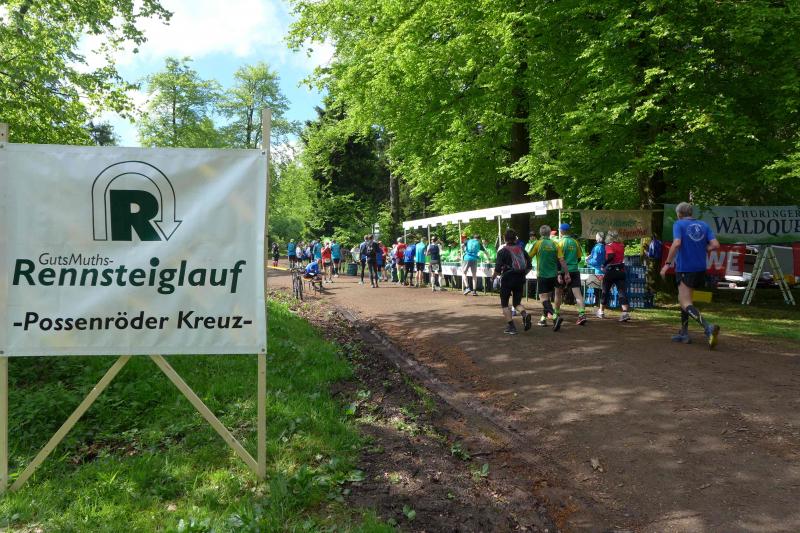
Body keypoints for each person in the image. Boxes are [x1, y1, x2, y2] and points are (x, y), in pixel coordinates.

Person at [660, 202, 721, 348]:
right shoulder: (703, 225)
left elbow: (677, 243)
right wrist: (704, 249)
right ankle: (684, 333)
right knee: (684, 299)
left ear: (679, 214)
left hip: (685, 268)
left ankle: (708, 327)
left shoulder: (679, 224)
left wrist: (667, 264)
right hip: (700, 268)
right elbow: (715, 245)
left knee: (685, 302)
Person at [492, 229, 533, 335]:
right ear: (515, 238)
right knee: (517, 303)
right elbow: (529, 266)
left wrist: (493, 278)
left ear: (504, 239)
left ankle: (511, 327)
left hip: (507, 279)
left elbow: (497, 269)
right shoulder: (521, 250)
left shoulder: (502, 251)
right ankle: (525, 314)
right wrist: (523, 274)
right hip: (520, 279)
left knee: (504, 304)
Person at [529, 225, 569, 331]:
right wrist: (566, 273)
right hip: (553, 276)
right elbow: (561, 260)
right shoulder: (555, 244)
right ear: (549, 233)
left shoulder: (537, 243)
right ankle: (544, 319)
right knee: (548, 298)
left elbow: (529, 257)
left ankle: (555, 316)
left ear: (540, 233)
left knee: (544, 299)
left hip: (542, 275)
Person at [554, 223, 587, 325]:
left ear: (561, 231)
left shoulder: (560, 242)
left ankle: (556, 313)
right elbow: (579, 257)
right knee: (578, 293)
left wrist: (559, 272)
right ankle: (582, 314)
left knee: (558, 293)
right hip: (574, 270)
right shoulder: (575, 242)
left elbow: (558, 259)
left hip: (563, 271)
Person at [598, 230, 631, 322]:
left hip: (611, 271)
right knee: (622, 292)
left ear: (610, 237)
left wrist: (603, 264)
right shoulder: (621, 245)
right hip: (621, 271)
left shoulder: (609, 246)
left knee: (605, 291)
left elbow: (611, 256)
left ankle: (601, 311)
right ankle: (625, 313)